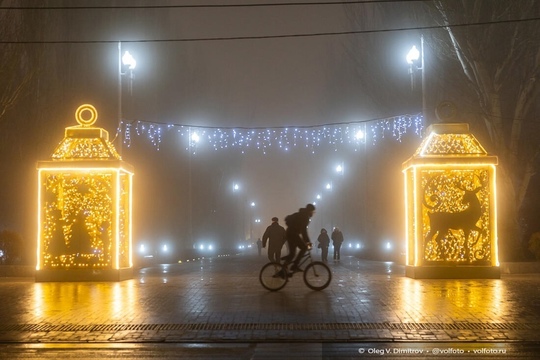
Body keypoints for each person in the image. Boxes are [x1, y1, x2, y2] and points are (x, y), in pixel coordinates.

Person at [282, 204, 316, 272]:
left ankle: (283, 270)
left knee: (292, 254)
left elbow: (303, 231)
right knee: (304, 248)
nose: (313, 213)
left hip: (290, 234)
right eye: (312, 211)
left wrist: (307, 241)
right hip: (292, 234)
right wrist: (308, 243)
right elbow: (304, 232)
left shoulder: (301, 214)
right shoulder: (305, 217)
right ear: (309, 211)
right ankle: (295, 265)